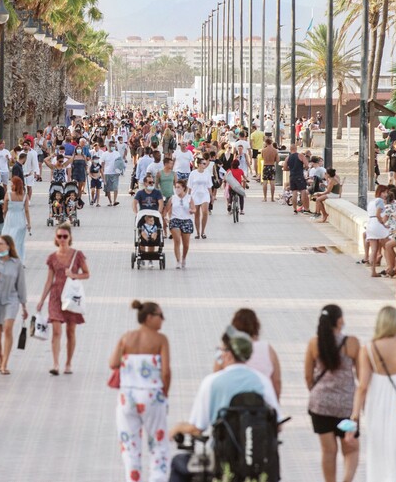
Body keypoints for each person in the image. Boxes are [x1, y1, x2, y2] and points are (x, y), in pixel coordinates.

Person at [167, 325, 282, 482]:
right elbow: (278, 423)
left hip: (221, 461)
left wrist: (177, 428)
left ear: (228, 354)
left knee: (178, 463)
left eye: (221, 350)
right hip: (259, 462)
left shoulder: (212, 382)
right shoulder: (262, 381)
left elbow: (197, 428)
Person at [349, 305, 396, 482]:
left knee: (380, 456)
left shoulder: (368, 349)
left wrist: (354, 416)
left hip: (378, 410)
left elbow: (362, 387)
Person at [110, 300, 172, 482]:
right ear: (149, 318)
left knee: (130, 446)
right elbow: (166, 372)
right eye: (160, 315)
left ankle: (133, 478)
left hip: (127, 397)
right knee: (158, 444)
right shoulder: (160, 340)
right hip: (152, 395)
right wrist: (164, 393)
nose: (163, 319)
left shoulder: (126, 337)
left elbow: (113, 363)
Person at [305, 304, 360, 482]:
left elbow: (308, 376)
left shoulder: (314, 343)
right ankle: (346, 480)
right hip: (346, 405)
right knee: (350, 448)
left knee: (328, 451)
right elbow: (360, 375)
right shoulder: (351, 343)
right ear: (339, 321)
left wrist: (318, 394)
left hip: (320, 404)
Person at [35, 223, 90, 375]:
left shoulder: (77, 255)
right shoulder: (52, 258)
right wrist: (41, 300)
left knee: (71, 331)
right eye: (59, 236)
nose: (62, 239)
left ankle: (68, 363)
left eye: (65, 236)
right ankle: (55, 364)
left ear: (70, 237)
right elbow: (49, 281)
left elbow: (87, 274)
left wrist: (74, 275)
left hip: (72, 298)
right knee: (56, 331)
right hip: (56, 296)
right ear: (55, 238)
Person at [0, 235, 28, 375]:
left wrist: (24, 305)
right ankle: (0, 357)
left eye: (1, 244)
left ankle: (5, 363)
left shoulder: (16, 263)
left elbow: (21, 284)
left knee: (8, 329)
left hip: (11, 299)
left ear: (8, 246)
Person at [232, 308, 282, 398]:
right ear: (257, 326)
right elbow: (276, 382)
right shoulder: (268, 349)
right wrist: (275, 403)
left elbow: (216, 375)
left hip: (231, 406)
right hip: (261, 406)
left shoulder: (227, 350)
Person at [2, 175, 31, 262]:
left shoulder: (8, 194)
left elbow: (5, 210)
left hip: (10, 219)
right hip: (21, 219)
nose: (10, 185)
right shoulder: (25, 196)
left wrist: (4, 217)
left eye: (12, 184)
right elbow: (26, 210)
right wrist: (29, 223)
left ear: (15, 185)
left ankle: (9, 258)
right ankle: (20, 260)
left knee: (8, 239)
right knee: (19, 242)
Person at [168, 180, 195, 269]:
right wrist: (166, 218)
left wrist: (192, 211)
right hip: (175, 220)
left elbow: (194, 208)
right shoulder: (173, 198)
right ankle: (178, 260)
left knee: (186, 244)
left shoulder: (189, 198)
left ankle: (183, 258)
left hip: (186, 220)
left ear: (183, 188)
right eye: (176, 187)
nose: (177, 189)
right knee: (177, 241)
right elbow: (166, 210)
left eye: (179, 187)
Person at [186, 156, 211, 239]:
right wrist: (188, 197)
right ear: (199, 164)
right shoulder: (193, 173)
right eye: (204, 163)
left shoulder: (207, 173)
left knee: (205, 212)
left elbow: (209, 185)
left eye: (206, 163)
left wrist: (212, 196)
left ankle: (203, 231)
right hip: (195, 195)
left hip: (204, 194)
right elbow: (189, 186)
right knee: (197, 214)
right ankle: (197, 232)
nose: (205, 165)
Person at [286, 143, 309, 215]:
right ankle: (305, 208)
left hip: (292, 176)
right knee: (303, 192)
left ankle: (294, 210)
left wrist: (291, 169)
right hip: (299, 176)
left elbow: (285, 167)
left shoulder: (288, 157)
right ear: (296, 149)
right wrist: (303, 168)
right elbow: (307, 165)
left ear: (290, 149)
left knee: (294, 193)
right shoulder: (300, 155)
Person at [261, 137, 280, 202]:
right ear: (271, 142)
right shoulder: (275, 150)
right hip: (272, 166)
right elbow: (278, 160)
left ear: (266, 143)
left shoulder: (263, 150)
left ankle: (265, 197)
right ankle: (272, 198)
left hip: (265, 166)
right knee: (272, 182)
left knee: (265, 182)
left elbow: (262, 157)